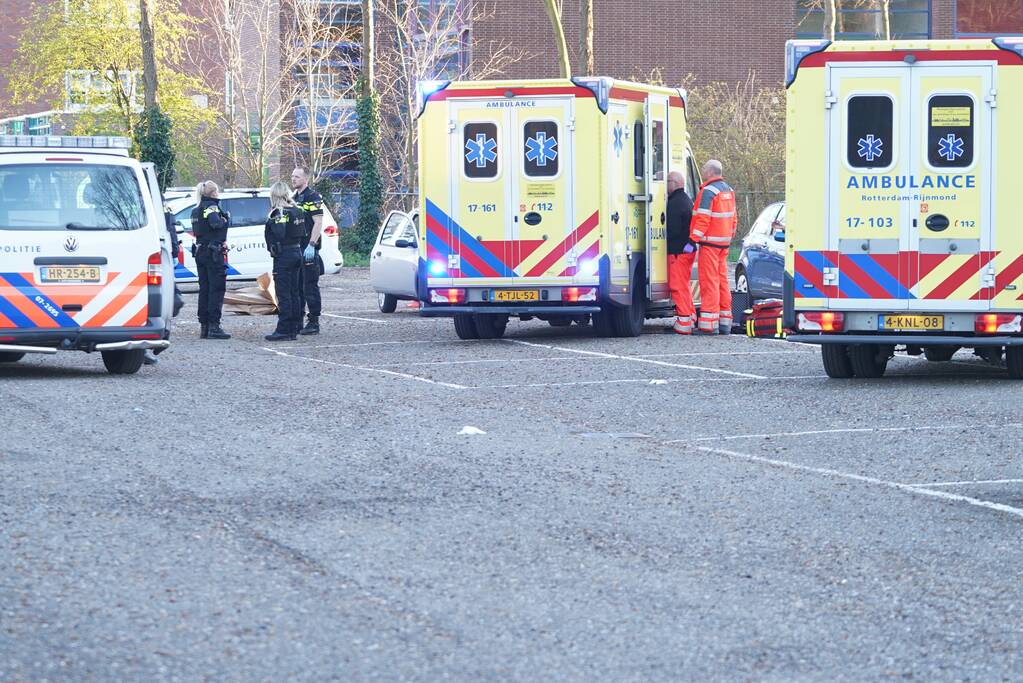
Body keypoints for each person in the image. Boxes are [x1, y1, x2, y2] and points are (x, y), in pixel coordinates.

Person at [690, 159, 738, 335]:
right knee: (722, 282)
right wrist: (730, 235)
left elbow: (703, 217)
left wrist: (693, 238)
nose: (702, 171)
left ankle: (709, 325)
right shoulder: (728, 190)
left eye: (703, 168)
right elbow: (733, 217)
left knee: (709, 282)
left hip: (709, 244)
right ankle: (725, 322)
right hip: (723, 243)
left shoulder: (708, 191)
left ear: (710, 172)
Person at [263, 181, 306, 342]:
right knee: (295, 292)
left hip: (284, 256)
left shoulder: (279, 213)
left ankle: (284, 329)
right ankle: (294, 327)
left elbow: (279, 234)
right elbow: (303, 233)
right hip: (296, 252)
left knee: (284, 293)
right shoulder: (297, 210)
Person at [190, 180, 231, 340]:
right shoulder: (211, 207)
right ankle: (214, 326)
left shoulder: (195, 209)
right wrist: (225, 220)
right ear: (214, 193)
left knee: (204, 289)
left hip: (201, 251)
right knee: (216, 289)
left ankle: (204, 326)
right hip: (213, 253)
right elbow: (215, 223)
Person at [290, 167, 324, 335]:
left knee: (309, 285)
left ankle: (314, 321)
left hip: (307, 247)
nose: (293, 179)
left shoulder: (313, 197)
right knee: (297, 286)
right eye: (292, 176)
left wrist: (312, 244)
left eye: (297, 176)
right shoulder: (294, 197)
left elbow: (318, 222)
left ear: (305, 179)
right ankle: (298, 319)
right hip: (296, 247)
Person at [665, 170, 696, 335]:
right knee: (684, 285)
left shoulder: (675, 203)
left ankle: (683, 320)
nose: (666, 184)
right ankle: (689, 316)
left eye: (668, 181)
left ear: (675, 183)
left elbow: (673, 230)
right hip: (687, 250)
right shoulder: (686, 200)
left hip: (678, 251)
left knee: (677, 285)